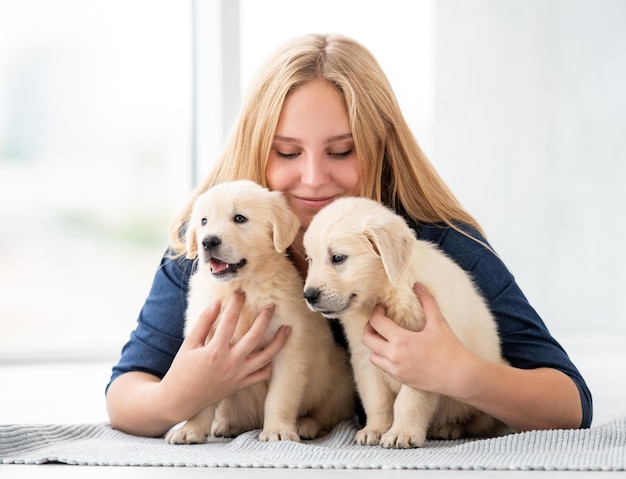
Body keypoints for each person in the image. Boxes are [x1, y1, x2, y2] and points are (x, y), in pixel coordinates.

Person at [106, 33, 592, 438]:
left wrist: (458, 373)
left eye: (341, 151)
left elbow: (570, 403)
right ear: (256, 147)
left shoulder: (435, 244)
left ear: (382, 147)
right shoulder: (207, 250)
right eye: (287, 152)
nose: (314, 177)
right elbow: (125, 394)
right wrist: (179, 395)